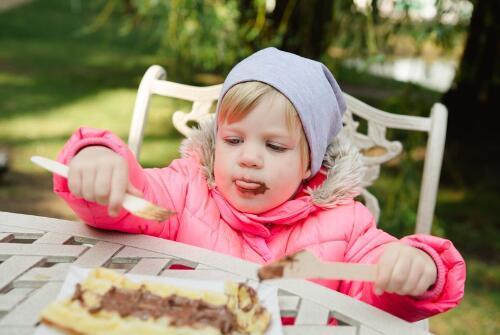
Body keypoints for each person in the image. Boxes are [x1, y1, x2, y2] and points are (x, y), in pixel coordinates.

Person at [53, 47, 465, 322]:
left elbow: (378, 292)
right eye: (233, 140)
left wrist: (419, 268)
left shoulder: (348, 225)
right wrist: (97, 159)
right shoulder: (185, 190)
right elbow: (129, 203)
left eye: (274, 145)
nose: (249, 157)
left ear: (309, 163)